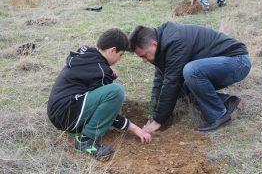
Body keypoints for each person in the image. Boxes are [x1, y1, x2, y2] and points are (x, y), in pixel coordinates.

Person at [47, 28, 151, 160]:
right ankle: (86, 141)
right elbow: (107, 109)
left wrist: (108, 73)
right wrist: (135, 129)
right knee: (116, 91)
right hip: (66, 115)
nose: (119, 60)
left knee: (105, 94)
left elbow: (93, 77)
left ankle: (79, 129)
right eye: (120, 55)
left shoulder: (88, 54)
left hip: (57, 112)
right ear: (112, 50)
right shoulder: (102, 71)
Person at [128, 22, 251, 133]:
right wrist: (153, 112)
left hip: (237, 62)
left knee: (190, 71)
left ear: (154, 44)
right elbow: (160, 80)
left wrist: (158, 120)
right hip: (220, 65)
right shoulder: (162, 47)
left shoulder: (175, 42)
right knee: (182, 84)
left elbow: (171, 82)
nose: (144, 60)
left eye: (144, 56)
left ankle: (218, 115)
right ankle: (226, 102)